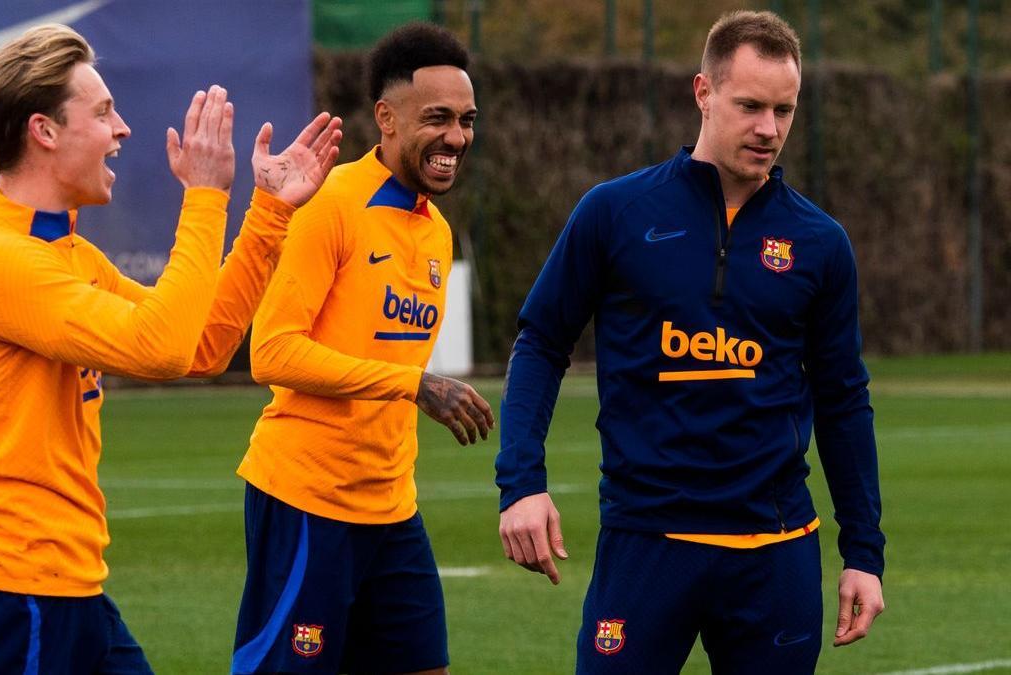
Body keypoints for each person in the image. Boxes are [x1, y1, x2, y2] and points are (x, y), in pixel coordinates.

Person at [0, 23, 342, 675]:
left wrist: (268, 216)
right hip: (6, 599)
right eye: (103, 112)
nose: (123, 130)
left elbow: (199, 345)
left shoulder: (61, 253)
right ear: (45, 131)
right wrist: (204, 197)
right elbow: (162, 349)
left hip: (66, 589)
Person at [495, 10, 885, 674]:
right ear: (703, 93)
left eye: (784, 109)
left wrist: (864, 554)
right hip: (647, 542)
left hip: (777, 549)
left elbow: (844, 400)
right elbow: (541, 343)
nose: (769, 128)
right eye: (750, 105)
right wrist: (520, 483)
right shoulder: (614, 213)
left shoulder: (821, 244)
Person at [231, 22, 492, 675]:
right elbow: (273, 352)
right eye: (437, 117)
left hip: (391, 507)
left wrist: (408, 383)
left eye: (466, 119)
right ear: (387, 118)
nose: (456, 137)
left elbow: (375, 358)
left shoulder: (433, 232)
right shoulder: (331, 205)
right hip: (307, 502)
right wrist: (412, 383)